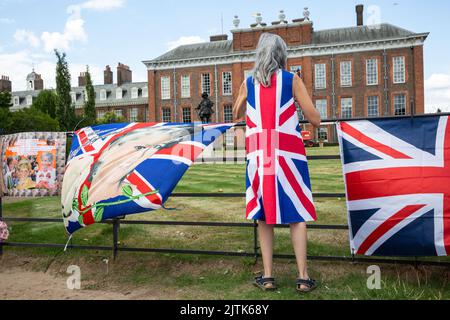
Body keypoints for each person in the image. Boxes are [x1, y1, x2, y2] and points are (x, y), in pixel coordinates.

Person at [233, 33, 321, 293]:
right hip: (288, 154)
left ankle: (268, 276)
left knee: (263, 216)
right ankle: (303, 277)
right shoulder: (291, 79)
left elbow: (236, 111)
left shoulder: (249, 83)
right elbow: (314, 118)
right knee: (297, 213)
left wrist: (244, 92)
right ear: (282, 55)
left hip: (260, 155)